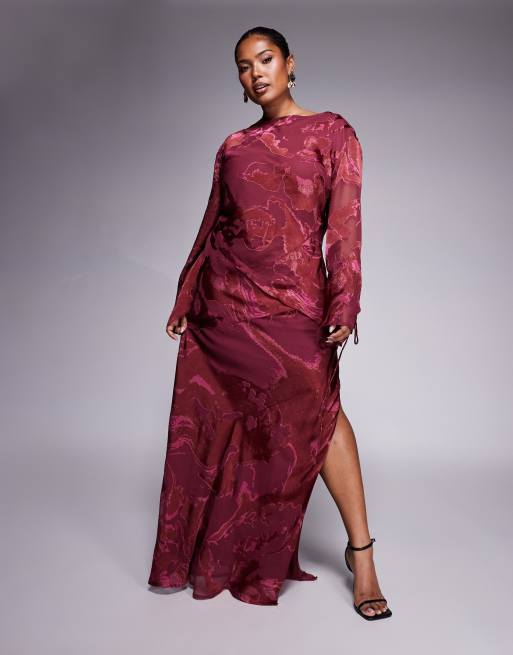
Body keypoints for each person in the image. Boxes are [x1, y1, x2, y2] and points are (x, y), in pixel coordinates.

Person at [147, 26, 392, 620]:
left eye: (265, 59)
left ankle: (363, 557)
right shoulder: (233, 146)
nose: (255, 72)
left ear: (289, 63)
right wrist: (186, 294)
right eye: (243, 65)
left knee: (320, 413)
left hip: (295, 303)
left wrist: (344, 301)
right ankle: (223, 549)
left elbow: (346, 222)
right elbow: (213, 224)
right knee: (225, 423)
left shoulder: (332, 132)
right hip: (226, 304)